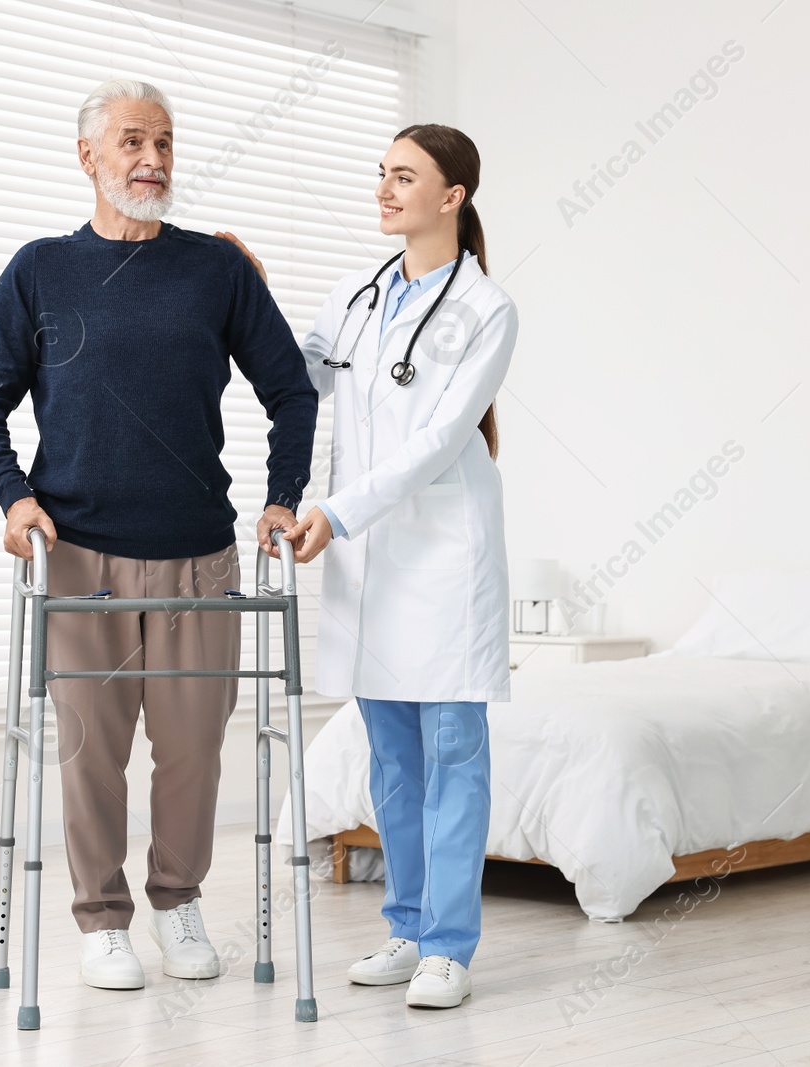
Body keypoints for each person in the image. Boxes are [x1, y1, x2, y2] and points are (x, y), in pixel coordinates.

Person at [0, 79, 318, 992]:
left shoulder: (217, 269)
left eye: (164, 141)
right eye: (131, 142)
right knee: (90, 749)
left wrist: (282, 497)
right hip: (78, 551)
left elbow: (291, 391)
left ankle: (177, 899)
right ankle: (102, 918)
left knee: (195, 747)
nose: (152, 159)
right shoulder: (40, 268)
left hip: (199, 552)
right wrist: (13, 498)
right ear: (89, 157)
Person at [231, 123, 516, 1009]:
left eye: (405, 176)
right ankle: (405, 927)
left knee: (453, 750)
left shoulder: (485, 309)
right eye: (382, 175)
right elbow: (299, 378)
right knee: (392, 756)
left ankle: (449, 946)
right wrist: (250, 293)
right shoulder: (357, 293)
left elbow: (439, 440)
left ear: (452, 196)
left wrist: (337, 511)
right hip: (368, 556)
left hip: (441, 551)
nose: (386, 190)